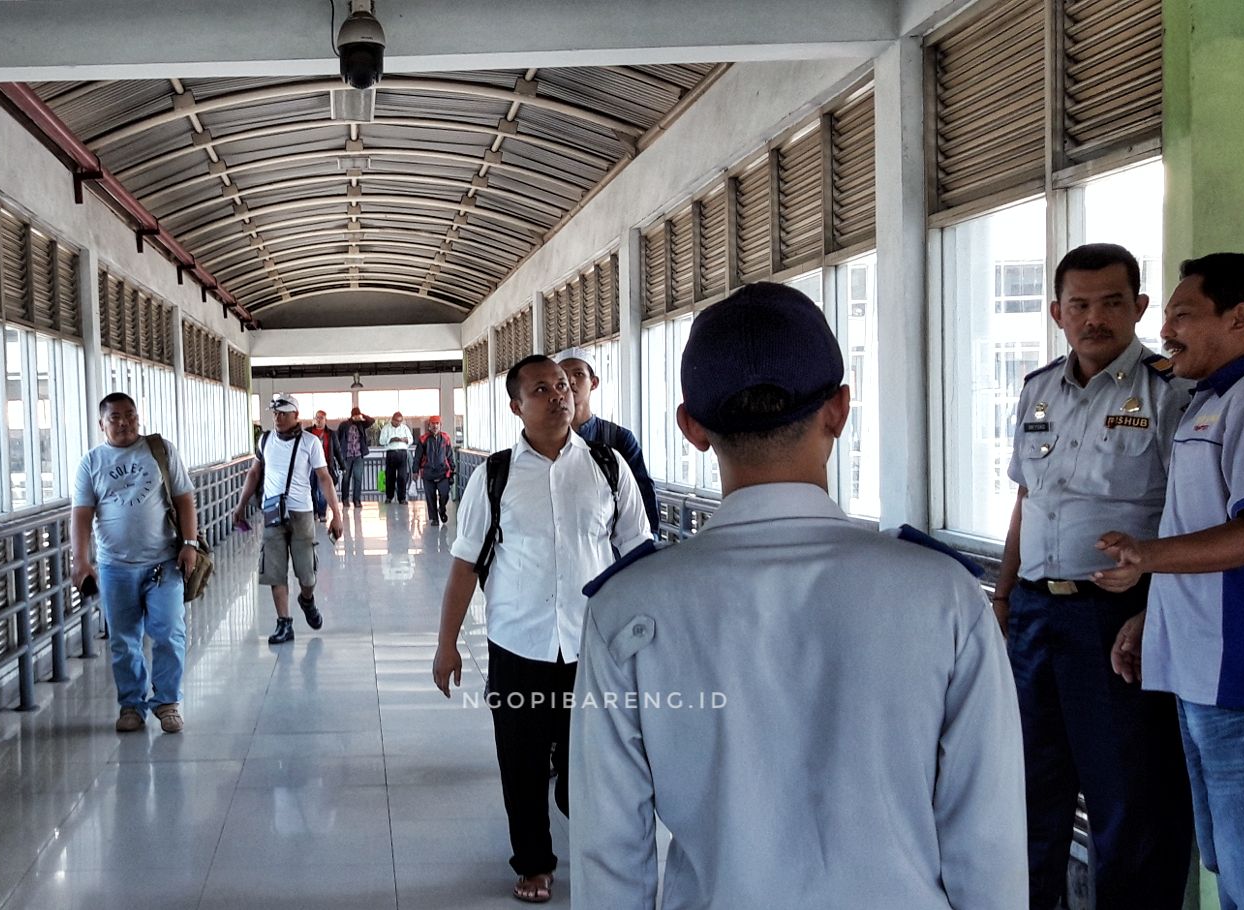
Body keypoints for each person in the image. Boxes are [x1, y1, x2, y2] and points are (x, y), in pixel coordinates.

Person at [569, 282, 1026, 909]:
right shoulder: (943, 594)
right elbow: (989, 841)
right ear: (839, 409)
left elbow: (610, 854)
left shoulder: (626, 608)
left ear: (692, 427)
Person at [988, 243, 1194, 909]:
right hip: (1036, 620)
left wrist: (1153, 606)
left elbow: (1191, 514)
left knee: (1128, 804)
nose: (1095, 318)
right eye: (1079, 304)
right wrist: (1004, 593)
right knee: (1028, 795)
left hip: (1118, 621)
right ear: (1057, 312)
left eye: (1112, 303)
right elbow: (1028, 501)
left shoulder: (1170, 391)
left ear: (1138, 307)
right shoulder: (1037, 389)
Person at [432, 355, 651, 904]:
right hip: (518, 645)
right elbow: (464, 562)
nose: (558, 396)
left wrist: (647, 636)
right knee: (521, 765)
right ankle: (533, 862)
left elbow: (638, 552)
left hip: (592, 647)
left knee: (592, 766)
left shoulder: (608, 465)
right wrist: (446, 644)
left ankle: (593, 836)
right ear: (516, 406)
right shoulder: (496, 475)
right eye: (541, 389)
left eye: (562, 386)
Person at [1096, 252, 1244, 910]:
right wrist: (1153, 616)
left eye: (1182, 315)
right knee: (1232, 867)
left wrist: (1146, 557)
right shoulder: (1208, 400)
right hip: (1198, 671)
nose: (1165, 328)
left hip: (1241, 684)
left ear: (1240, 318)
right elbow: (1197, 529)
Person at [71, 392, 199, 734]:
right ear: (102, 424)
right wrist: (81, 560)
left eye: (130, 415)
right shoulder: (91, 462)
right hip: (115, 568)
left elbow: (184, 499)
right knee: (124, 640)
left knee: (170, 633)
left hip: (164, 562)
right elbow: (81, 514)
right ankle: (131, 705)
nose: (124, 422)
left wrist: (190, 543)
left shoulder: (161, 451)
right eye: (115, 417)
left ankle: (168, 702)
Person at [233, 393, 344, 644]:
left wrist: (336, 514)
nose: (278, 418)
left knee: (307, 574)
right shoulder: (265, 441)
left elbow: (324, 477)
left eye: (283, 413)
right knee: (275, 571)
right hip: (272, 512)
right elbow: (254, 473)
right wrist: (240, 505)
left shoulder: (310, 442)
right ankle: (284, 623)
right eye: (275, 413)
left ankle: (306, 599)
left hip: (301, 512)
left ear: (296, 416)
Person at [556, 347, 660, 535]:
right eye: (562, 376)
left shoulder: (619, 439)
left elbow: (643, 495)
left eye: (578, 374)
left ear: (593, 383)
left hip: (614, 548)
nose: (570, 381)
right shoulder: (548, 441)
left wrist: (648, 547)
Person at [413, 415, 455, 526]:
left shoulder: (446, 438)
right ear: (429, 425)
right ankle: (434, 518)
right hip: (428, 473)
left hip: (443, 472)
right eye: (433, 424)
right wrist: (415, 471)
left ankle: (442, 509)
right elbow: (417, 457)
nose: (435, 426)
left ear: (440, 425)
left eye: (437, 424)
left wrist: (452, 468)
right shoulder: (423, 439)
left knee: (444, 494)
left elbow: (450, 455)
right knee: (430, 497)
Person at [306, 409, 343, 522]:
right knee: (311, 489)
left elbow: (337, 450)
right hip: (310, 466)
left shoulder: (330, 434)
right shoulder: (307, 432)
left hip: (325, 466)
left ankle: (322, 513)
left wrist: (342, 465)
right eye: (317, 417)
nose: (319, 420)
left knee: (322, 490)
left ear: (325, 420)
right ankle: (314, 512)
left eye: (321, 418)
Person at [336, 406, 372, 507]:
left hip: (358, 455)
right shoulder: (344, 424)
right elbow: (338, 438)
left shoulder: (361, 424)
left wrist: (362, 416)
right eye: (355, 416)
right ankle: (345, 499)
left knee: (358, 478)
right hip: (347, 456)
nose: (356, 417)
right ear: (351, 416)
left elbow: (371, 421)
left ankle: (357, 500)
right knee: (346, 478)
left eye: (358, 415)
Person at [380, 411, 413, 504]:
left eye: (400, 421)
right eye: (396, 421)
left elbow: (411, 439)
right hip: (391, 453)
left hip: (402, 453)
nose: (398, 423)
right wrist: (390, 439)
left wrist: (406, 440)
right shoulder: (386, 428)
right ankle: (389, 497)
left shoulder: (405, 428)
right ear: (392, 419)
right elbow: (381, 441)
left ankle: (402, 498)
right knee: (390, 476)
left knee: (402, 476)